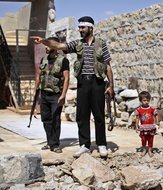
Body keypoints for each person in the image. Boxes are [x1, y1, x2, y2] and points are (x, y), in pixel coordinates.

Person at [31, 16, 114, 158]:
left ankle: (101, 144)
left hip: (98, 83)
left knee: (99, 115)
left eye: (83, 27)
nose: (80, 30)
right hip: (83, 83)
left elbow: (107, 66)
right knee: (82, 115)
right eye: (79, 27)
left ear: (90, 28)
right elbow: (59, 46)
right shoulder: (77, 44)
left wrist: (111, 85)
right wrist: (44, 41)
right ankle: (84, 145)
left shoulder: (101, 44)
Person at [35, 36, 70, 153]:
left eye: (48, 45)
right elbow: (39, 76)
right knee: (46, 119)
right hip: (44, 94)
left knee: (55, 119)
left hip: (56, 95)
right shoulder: (43, 60)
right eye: (45, 45)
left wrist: (63, 95)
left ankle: (55, 144)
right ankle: (50, 142)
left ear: (54, 46)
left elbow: (66, 78)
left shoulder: (63, 60)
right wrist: (37, 94)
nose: (45, 47)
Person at [134, 91, 159, 157]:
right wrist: (136, 127)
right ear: (140, 101)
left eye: (148, 100)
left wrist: (157, 121)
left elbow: (156, 115)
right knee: (143, 139)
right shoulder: (139, 110)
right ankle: (144, 149)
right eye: (144, 100)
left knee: (151, 139)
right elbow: (137, 119)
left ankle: (150, 150)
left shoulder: (152, 109)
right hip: (143, 128)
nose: (146, 102)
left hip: (151, 127)